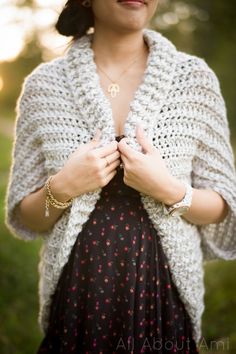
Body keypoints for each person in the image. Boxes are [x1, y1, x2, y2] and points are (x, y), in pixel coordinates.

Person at [4, 0, 236, 352]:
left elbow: (223, 204)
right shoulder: (45, 87)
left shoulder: (194, 80)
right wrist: (64, 187)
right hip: (79, 289)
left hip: (161, 291)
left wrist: (170, 190)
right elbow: (26, 215)